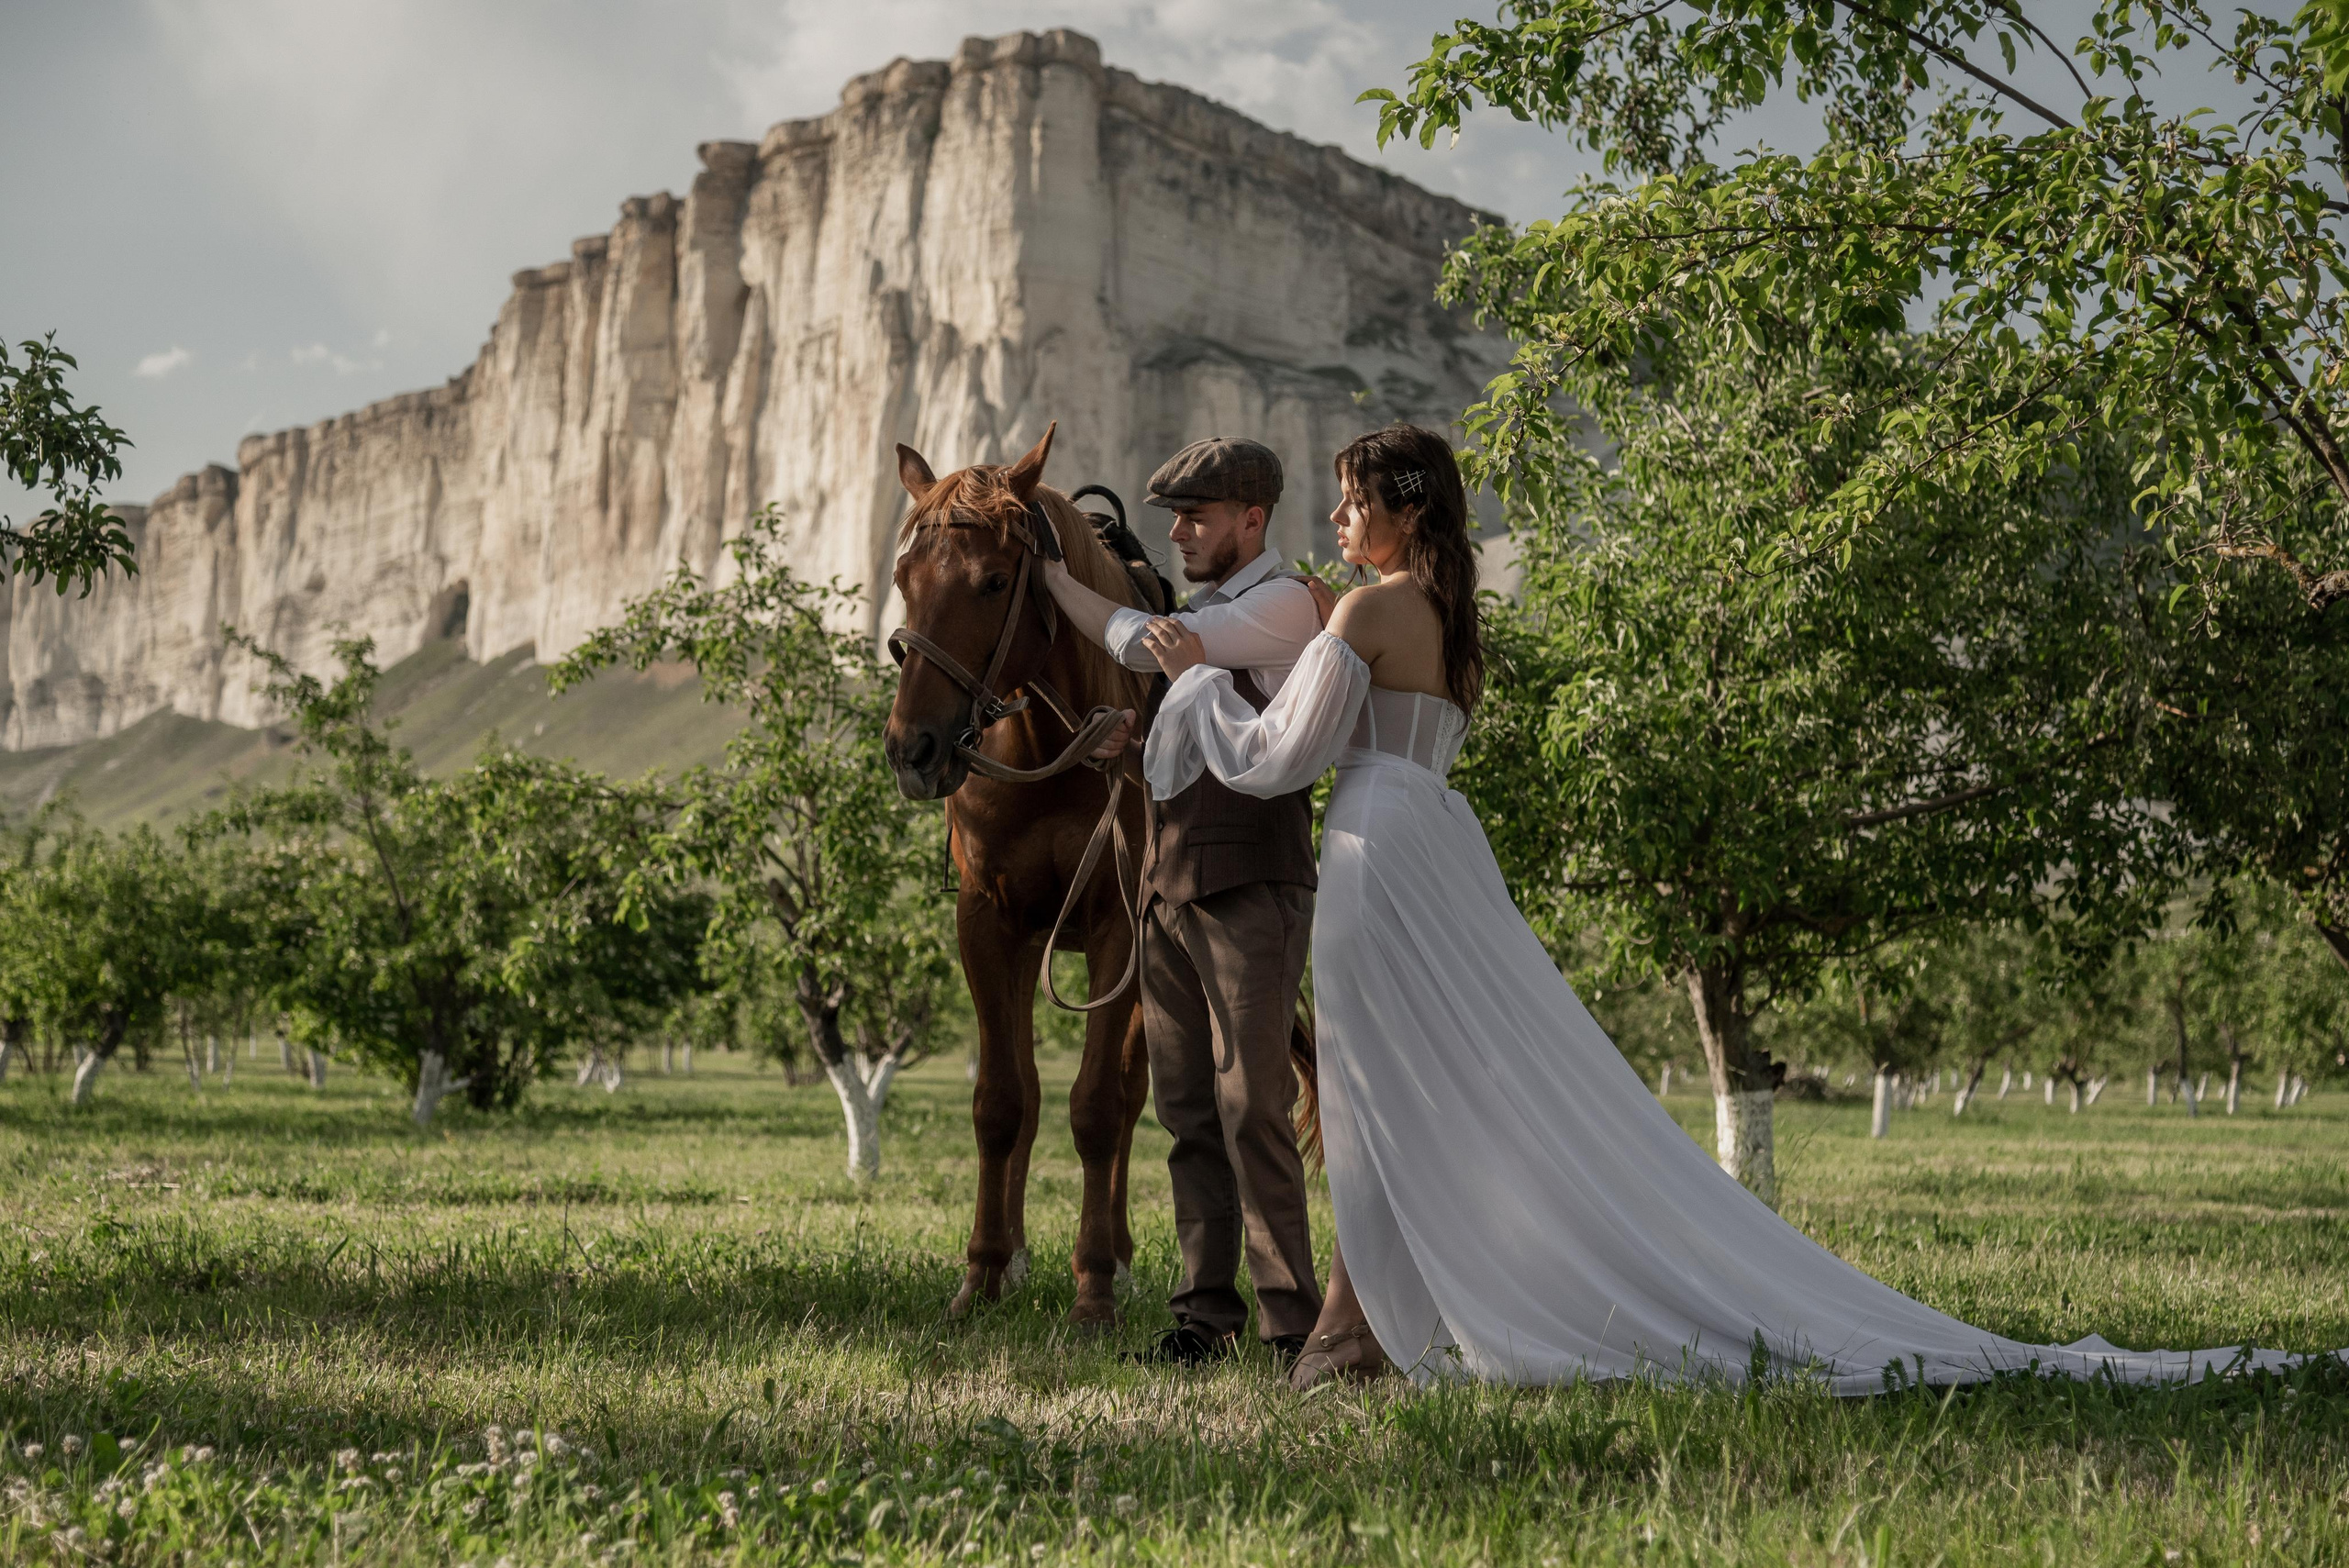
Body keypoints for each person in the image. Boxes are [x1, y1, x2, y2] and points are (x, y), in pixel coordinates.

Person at [1118, 422, 2336, 1395]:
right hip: (1435, 838)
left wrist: (1197, 681)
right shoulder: (1447, 619)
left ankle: (1351, 1332)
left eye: (1350, 501)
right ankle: (1361, 1320)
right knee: (1425, 1089)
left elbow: (1277, 759)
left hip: (1378, 851)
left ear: (1407, 508)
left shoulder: (1364, 611)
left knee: (1383, 1094)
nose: (1337, 524)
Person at [1041, 435, 1331, 1366]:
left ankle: (1292, 1323)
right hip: (1172, 885)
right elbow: (1207, 750)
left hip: (1250, 882)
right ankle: (1204, 1316)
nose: (1176, 532)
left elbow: (1132, 636)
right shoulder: (1213, 614)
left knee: (1251, 1104)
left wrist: (1050, 575)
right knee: (1187, 1109)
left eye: (1196, 516)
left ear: (1252, 519)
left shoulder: (1282, 605)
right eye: (1172, 514)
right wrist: (1128, 750)